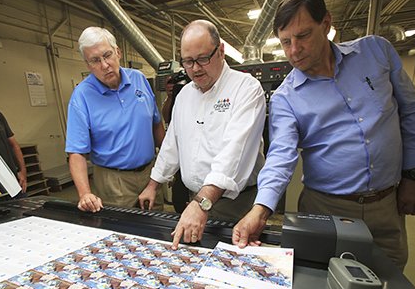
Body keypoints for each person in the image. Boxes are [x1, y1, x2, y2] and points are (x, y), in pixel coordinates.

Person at [232, 0, 415, 271]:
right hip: (326, 210)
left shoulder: (375, 52)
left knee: (390, 280)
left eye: (303, 36)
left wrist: (414, 174)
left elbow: (412, 113)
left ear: (326, 24)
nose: (294, 50)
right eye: (285, 42)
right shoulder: (285, 98)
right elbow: (281, 157)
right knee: (321, 285)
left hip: (387, 204)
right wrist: (260, 210)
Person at [138, 20, 266, 248]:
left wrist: (201, 204)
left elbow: (234, 153)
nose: (195, 68)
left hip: (235, 203)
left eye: (203, 58)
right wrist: (153, 184)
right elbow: (172, 145)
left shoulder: (246, 89)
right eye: (188, 61)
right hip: (196, 198)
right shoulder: (185, 95)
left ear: (221, 51)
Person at [65, 27, 165, 212]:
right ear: (87, 65)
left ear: (118, 52)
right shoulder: (82, 96)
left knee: (157, 225)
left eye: (107, 55)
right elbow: (76, 152)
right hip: (113, 181)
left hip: (150, 174)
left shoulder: (139, 79)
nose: (104, 65)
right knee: (121, 232)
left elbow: (156, 123)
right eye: (95, 60)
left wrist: (169, 162)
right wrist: (85, 194)